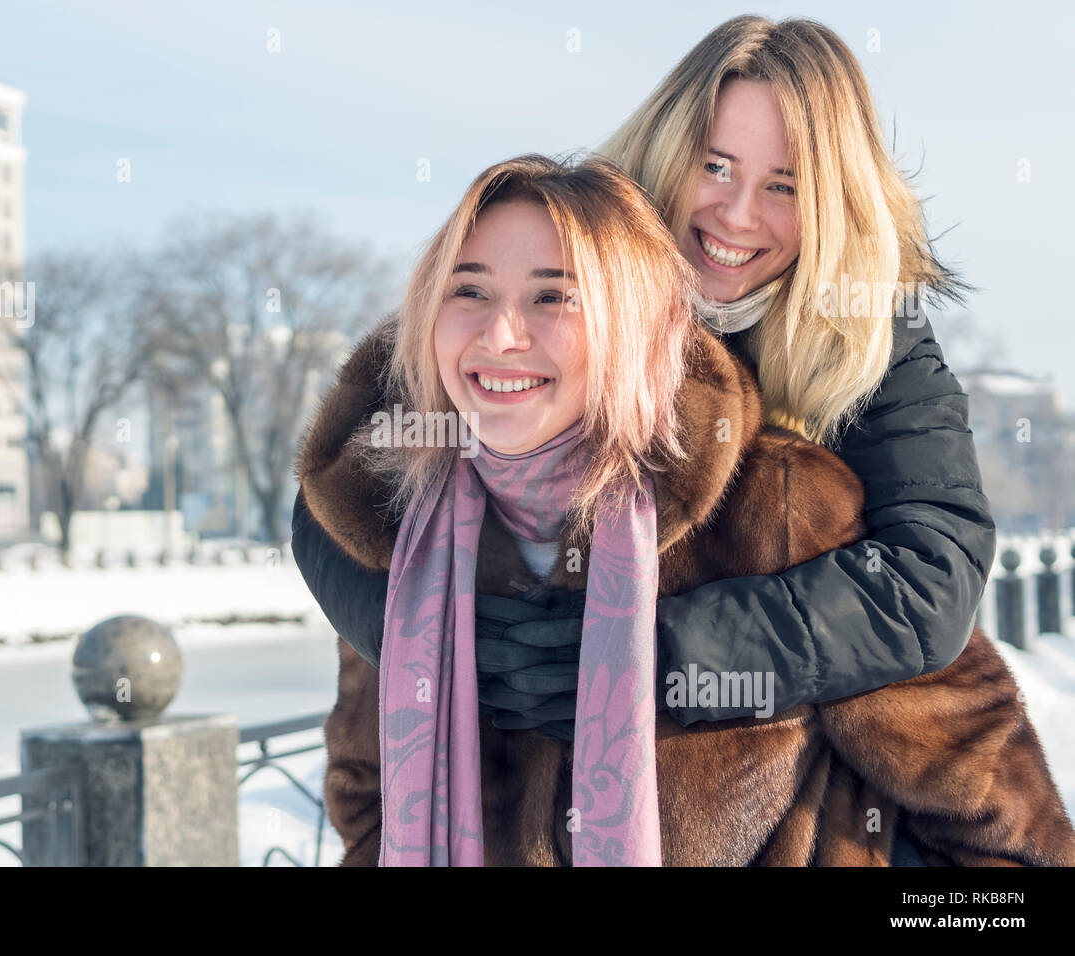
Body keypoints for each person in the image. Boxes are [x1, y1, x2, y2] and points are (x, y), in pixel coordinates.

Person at [296, 153, 1074, 866]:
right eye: (469, 291)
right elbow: (368, 800)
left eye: (553, 296)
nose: (502, 334)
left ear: (635, 323)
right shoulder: (406, 529)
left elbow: (1009, 838)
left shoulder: (778, 507)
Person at [291, 14, 995, 740]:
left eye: (783, 186)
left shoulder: (870, 332)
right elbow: (331, 493)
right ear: (670, 147)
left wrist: (654, 657)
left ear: (829, 202)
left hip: (742, 779)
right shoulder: (564, 240)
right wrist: (446, 646)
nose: (737, 215)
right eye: (715, 166)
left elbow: (930, 575)